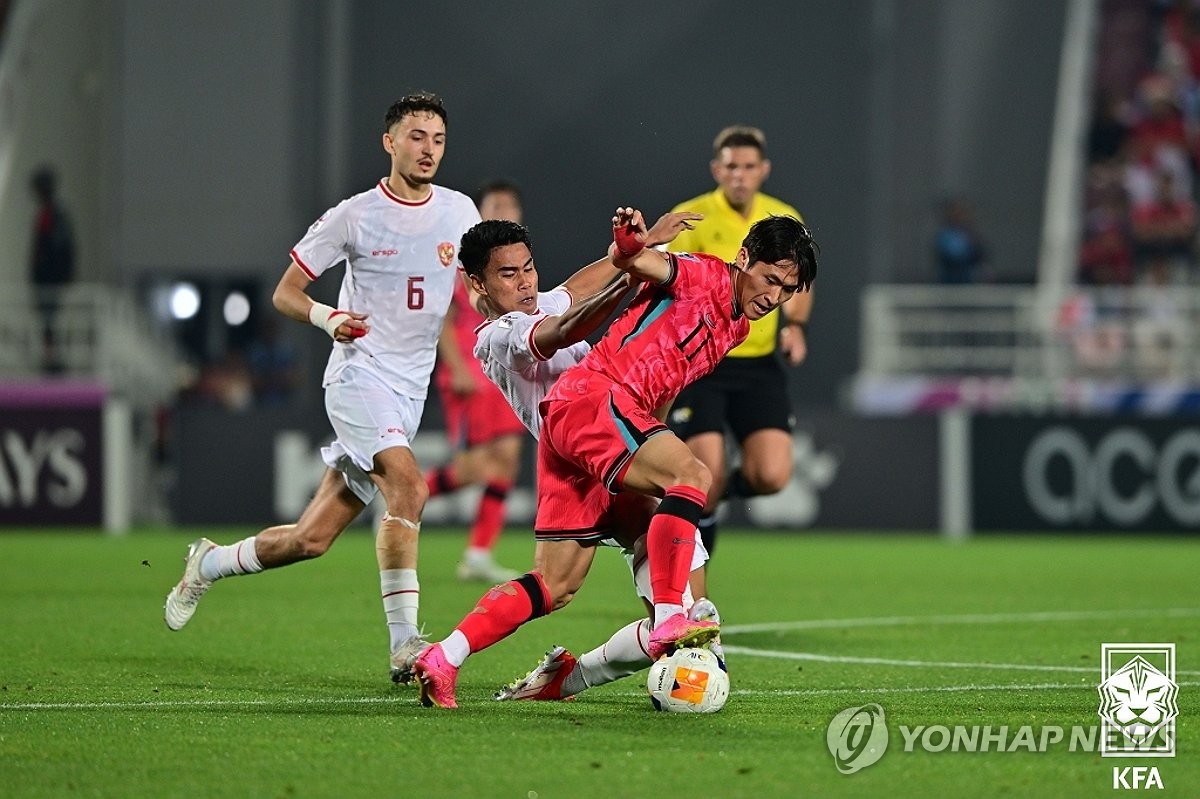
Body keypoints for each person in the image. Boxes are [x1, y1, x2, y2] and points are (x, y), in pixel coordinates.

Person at [413, 207, 817, 708]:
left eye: (528, 268)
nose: (773, 297)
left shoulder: (730, 326)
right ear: (478, 283)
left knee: (556, 586)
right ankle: (673, 617)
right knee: (691, 479)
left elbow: (583, 289)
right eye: (508, 273)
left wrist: (626, 257)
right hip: (590, 409)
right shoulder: (498, 335)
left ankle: (452, 659)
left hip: (593, 443)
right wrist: (632, 257)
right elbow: (567, 325)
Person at [164, 92, 480, 686]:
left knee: (311, 540)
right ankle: (405, 644)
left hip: (408, 395)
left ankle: (207, 563)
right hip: (358, 376)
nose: (428, 150)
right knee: (409, 488)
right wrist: (328, 318)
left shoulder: (460, 212)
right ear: (389, 142)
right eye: (416, 137)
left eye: (437, 140)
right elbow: (286, 293)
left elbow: (482, 285)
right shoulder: (354, 215)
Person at [665, 126, 814, 559]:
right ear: (717, 169)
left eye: (749, 167)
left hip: (758, 363)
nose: (740, 176)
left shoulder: (783, 218)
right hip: (703, 364)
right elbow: (672, 281)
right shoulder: (691, 217)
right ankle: (693, 593)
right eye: (731, 166)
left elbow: (800, 283)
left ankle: (713, 495)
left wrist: (796, 327)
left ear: (764, 170)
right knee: (702, 481)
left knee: (771, 475)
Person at [424, 180, 529, 582]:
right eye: (494, 205)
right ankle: (409, 493)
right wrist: (459, 368)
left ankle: (479, 554)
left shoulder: (518, 265)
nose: (502, 211)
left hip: (504, 371)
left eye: (509, 205)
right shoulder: (462, 263)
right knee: (473, 467)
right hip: (470, 372)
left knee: (507, 462)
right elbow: (442, 321)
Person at [29, 165, 76, 373]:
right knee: (47, 322)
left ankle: (55, 359)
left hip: (52, 278)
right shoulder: (47, 213)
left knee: (54, 320)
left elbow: (63, 248)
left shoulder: (56, 214)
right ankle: (50, 357)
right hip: (45, 278)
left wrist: (62, 275)